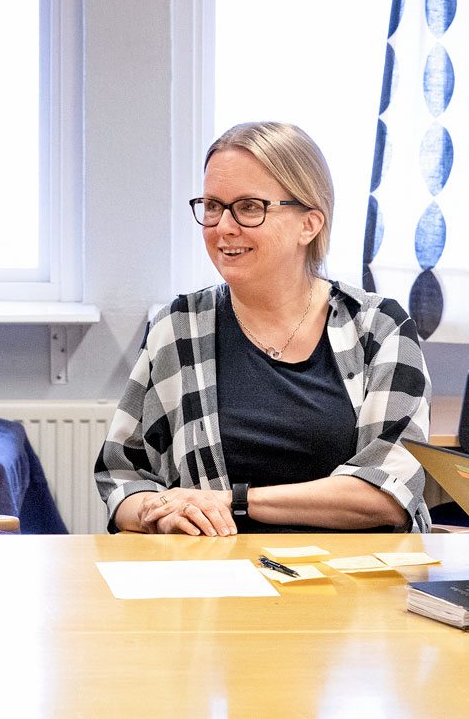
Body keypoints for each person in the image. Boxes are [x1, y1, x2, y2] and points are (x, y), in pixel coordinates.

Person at [96, 121, 430, 535]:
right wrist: (159, 512)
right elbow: (121, 479)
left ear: (309, 224)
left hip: (352, 581)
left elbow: (388, 495)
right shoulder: (177, 327)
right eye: (213, 206)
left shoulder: (380, 329)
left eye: (249, 207)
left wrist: (233, 501)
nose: (222, 227)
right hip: (217, 580)